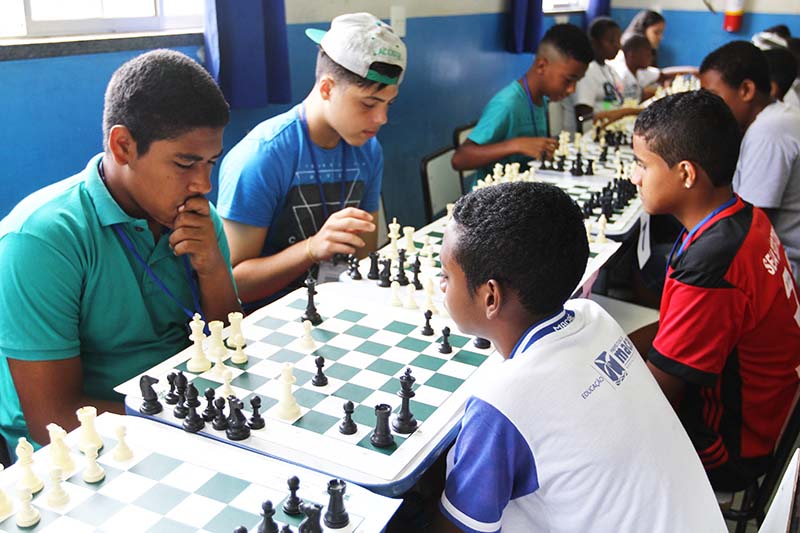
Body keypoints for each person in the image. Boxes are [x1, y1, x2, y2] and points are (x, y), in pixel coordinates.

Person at [434, 181, 726, 531]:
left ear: (491, 297)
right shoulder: (594, 317)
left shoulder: (500, 404)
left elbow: (456, 528)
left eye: (446, 274)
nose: (441, 284)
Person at [0, 50, 240, 460]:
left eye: (211, 163)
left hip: (185, 415)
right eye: (185, 163)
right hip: (84, 448)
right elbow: (52, 417)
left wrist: (213, 267)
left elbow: (231, 348)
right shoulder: (41, 241)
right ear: (123, 145)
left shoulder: (199, 219)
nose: (203, 184)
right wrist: (187, 429)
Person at [631, 89, 800, 491]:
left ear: (687, 173)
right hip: (770, 415)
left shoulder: (713, 263)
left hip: (731, 449)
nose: (634, 177)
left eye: (641, 165)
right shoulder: (744, 216)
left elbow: (657, 392)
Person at [217, 13, 405, 310]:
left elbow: (363, 255)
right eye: (368, 103)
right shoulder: (262, 156)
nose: (381, 118)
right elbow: (232, 284)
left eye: (388, 104)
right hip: (271, 322)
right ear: (327, 88)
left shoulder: (369, 150)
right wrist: (311, 249)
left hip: (340, 306)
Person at [700, 41, 800, 280]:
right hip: (772, 256)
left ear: (746, 90)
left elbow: (746, 226)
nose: (707, 108)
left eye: (713, 96)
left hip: (781, 268)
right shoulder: (777, 116)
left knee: (672, 265)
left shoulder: (769, 131)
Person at [451, 23, 592, 181]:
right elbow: (459, 159)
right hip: (495, 199)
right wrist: (516, 145)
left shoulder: (542, 100)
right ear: (541, 66)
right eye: (568, 80)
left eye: (577, 81)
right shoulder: (508, 104)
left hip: (524, 190)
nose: (572, 90)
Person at [567, 17, 640, 132]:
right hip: (594, 135)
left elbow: (617, 101)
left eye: (618, 41)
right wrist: (627, 112)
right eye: (611, 41)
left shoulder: (609, 69)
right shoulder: (587, 71)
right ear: (594, 42)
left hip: (613, 128)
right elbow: (584, 118)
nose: (618, 46)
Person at [611, 34, 660, 102]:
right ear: (632, 55)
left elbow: (661, 75)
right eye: (647, 55)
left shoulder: (638, 71)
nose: (651, 58)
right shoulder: (621, 77)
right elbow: (610, 105)